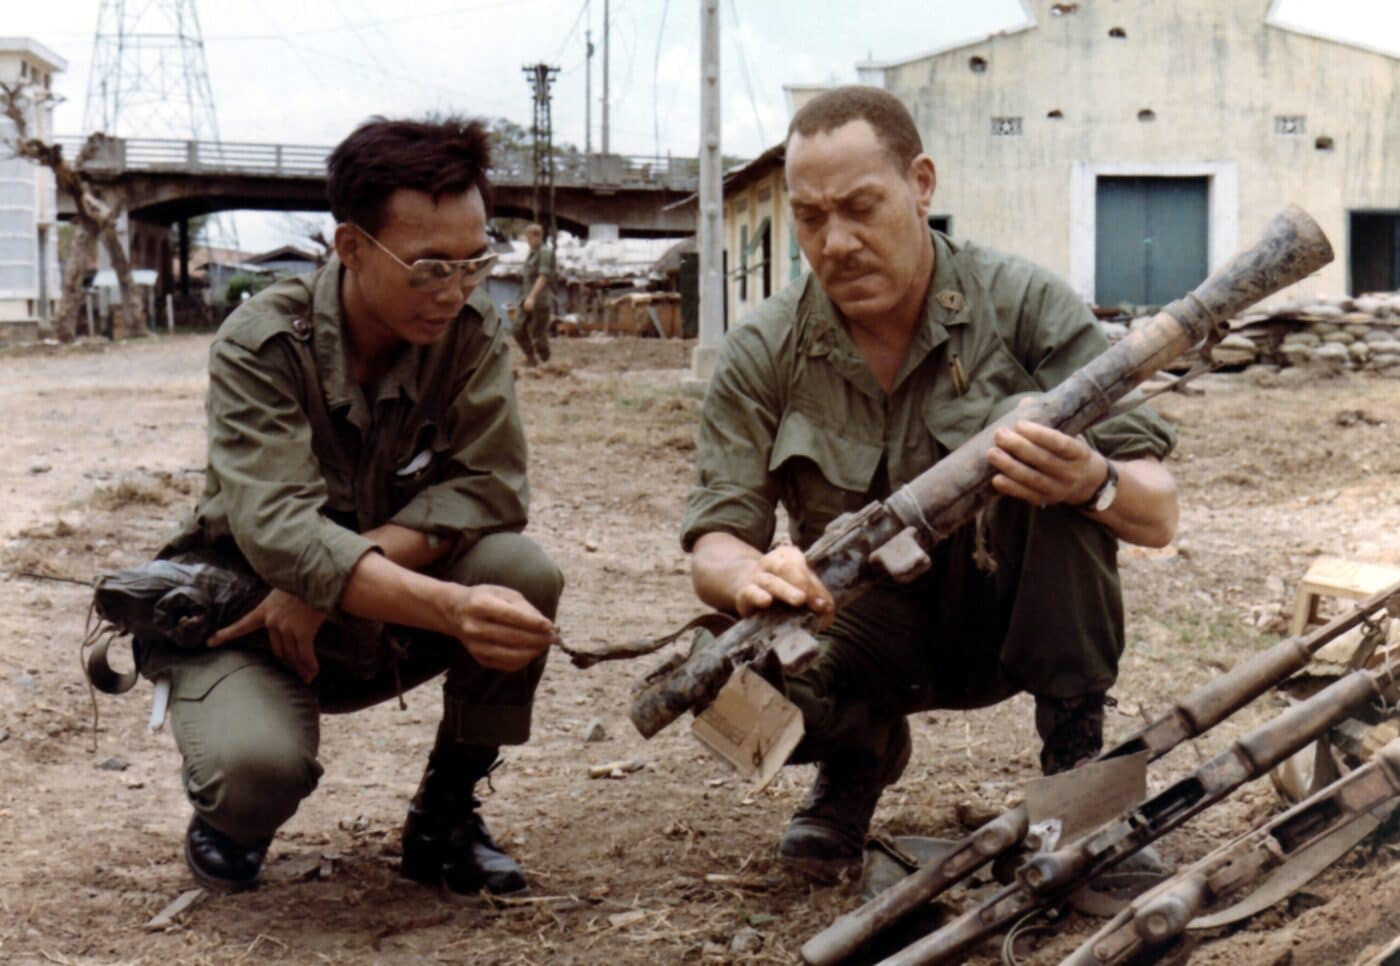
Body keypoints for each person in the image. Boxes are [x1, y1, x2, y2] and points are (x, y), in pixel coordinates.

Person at [681, 86, 1179, 877]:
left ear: (921, 183)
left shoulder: (1023, 305)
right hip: (862, 631)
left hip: (1010, 623)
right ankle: (857, 759)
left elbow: (1156, 514)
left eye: (860, 206)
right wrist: (752, 577)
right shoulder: (764, 349)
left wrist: (1091, 479)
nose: (835, 241)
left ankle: (1076, 777)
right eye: (810, 217)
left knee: (1039, 450)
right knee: (727, 687)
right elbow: (715, 541)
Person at [150, 117, 563, 895]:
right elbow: (278, 530)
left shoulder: (470, 331)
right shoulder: (262, 343)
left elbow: (492, 488)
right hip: (248, 621)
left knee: (518, 572)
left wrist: (322, 584)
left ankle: (445, 817)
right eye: (428, 267)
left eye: (474, 262)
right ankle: (233, 817)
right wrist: (444, 605)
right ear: (350, 247)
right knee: (253, 774)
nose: (454, 290)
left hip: (364, 618)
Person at [514, 223, 556, 365]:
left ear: (538, 236)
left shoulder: (545, 252)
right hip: (525, 298)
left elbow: (543, 276)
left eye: (529, 237)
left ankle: (546, 362)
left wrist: (532, 296)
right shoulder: (532, 252)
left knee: (538, 333)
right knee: (517, 328)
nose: (527, 241)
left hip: (539, 299)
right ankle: (531, 357)